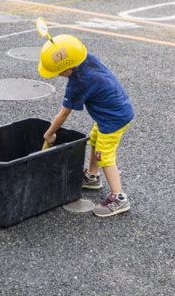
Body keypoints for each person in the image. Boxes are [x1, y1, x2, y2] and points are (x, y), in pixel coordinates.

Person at [40, 34, 135, 217]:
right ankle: (92, 176)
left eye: (57, 72)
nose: (57, 75)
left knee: (105, 156)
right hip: (117, 110)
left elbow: (64, 113)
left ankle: (119, 198)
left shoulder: (78, 83)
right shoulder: (85, 57)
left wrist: (50, 133)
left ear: (68, 67)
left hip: (113, 119)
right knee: (95, 139)